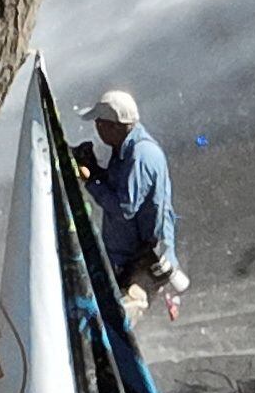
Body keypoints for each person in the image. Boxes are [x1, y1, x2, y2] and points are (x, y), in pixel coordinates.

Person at [74, 90, 180, 312]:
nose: (97, 129)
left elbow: (124, 208)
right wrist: (94, 169)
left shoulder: (140, 156)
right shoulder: (125, 150)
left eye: (99, 123)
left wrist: (92, 181)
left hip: (144, 257)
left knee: (126, 310)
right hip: (129, 255)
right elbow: (120, 187)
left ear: (111, 126)